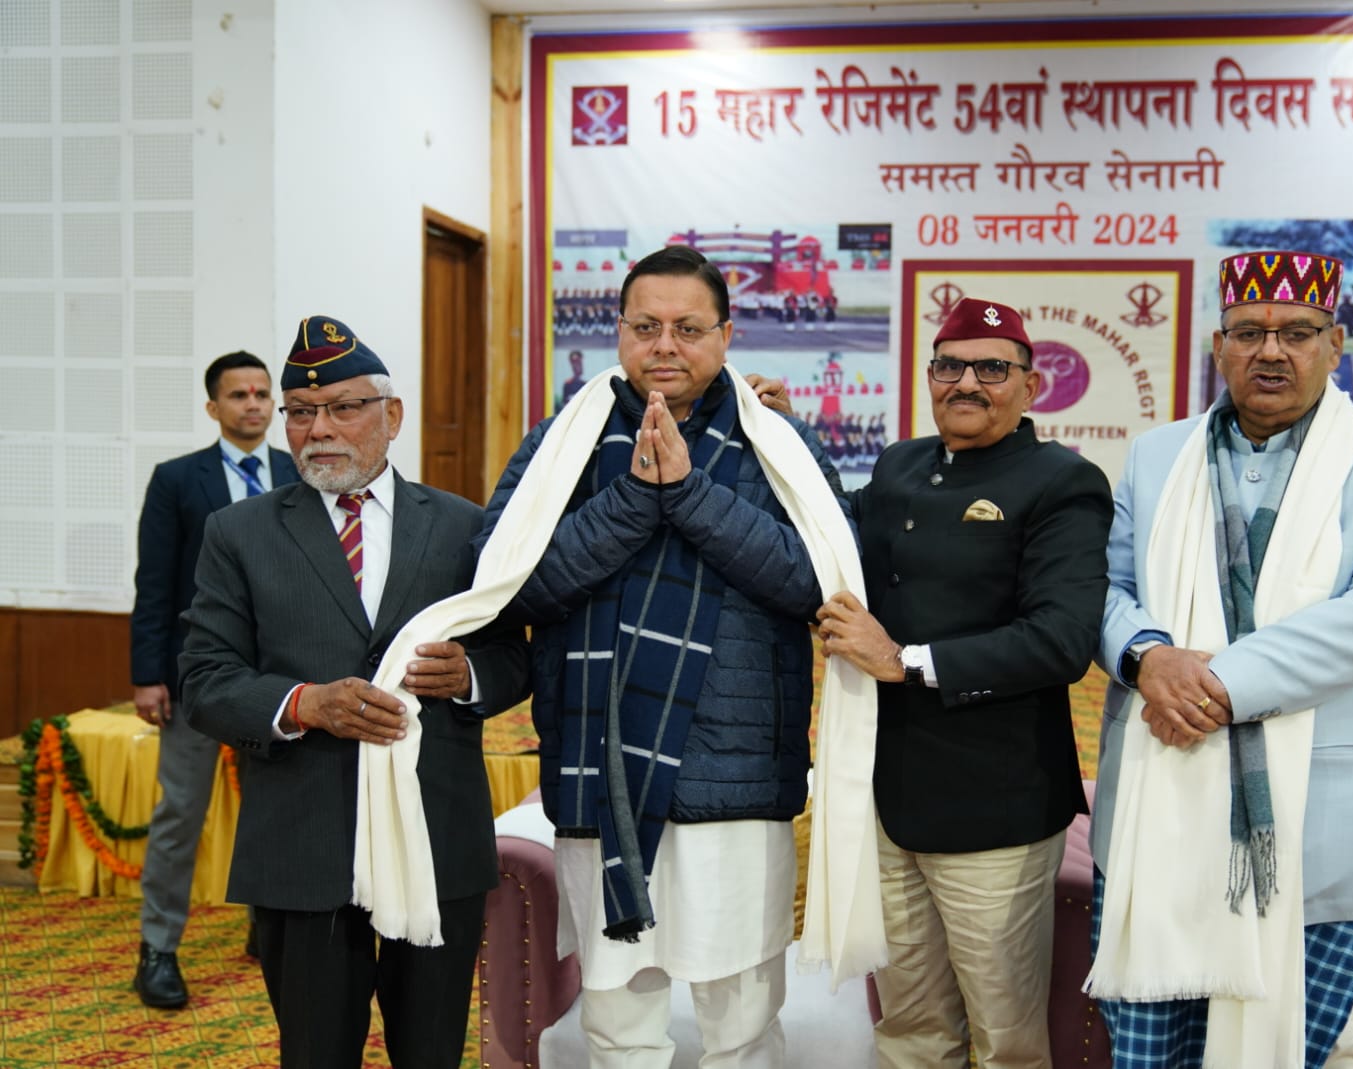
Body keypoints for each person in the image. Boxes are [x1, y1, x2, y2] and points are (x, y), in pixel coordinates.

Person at [478, 245, 851, 1067]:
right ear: (618, 331)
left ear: (726, 335)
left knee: (741, 1022)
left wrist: (688, 493)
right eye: (646, 326)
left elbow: (817, 582)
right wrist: (631, 501)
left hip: (734, 775)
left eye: (688, 328)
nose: (666, 346)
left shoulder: (778, 444)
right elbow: (508, 584)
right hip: (600, 770)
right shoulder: (561, 446)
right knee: (619, 1024)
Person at [1088, 250, 1353, 1068]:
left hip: (1321, 825)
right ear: (1219, 346)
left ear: (1336, 343)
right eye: (1249, 332)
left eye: (1297, 332)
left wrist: (1214, 682)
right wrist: (1146, 657)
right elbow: (1104, 588)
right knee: (1151, 1051)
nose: (1272, 351)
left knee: (1312, 1049)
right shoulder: (1157, 455)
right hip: (1159, 812)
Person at [178, 317, 529, 1069]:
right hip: (305, 843)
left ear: (391, 416)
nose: (319, 430)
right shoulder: (238, 533)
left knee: (431, 1052)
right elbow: (204, 679)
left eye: (343, 408)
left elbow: (514, 656)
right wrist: (305, 704)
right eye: (301, 413)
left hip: (435, 839)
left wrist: (469, 675)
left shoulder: (465, 528)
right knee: (314, 1053)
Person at [810, 298, 1114, 1067]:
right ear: (930, 376)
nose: (967, 382)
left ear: (1031, 385)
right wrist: (782, 437)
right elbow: (831, 531)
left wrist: (903, 659)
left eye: (991, 368)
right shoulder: (899, 464)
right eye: (950, 365)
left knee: (1005, 1041)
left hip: (996, 809)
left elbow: (1061, 641)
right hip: (887, 797)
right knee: (909, 1029)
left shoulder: (1063, 482)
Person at [129, 350, 298, 1009]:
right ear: (213, 407)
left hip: (279, 680)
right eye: (238, 394)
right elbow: (154, 583)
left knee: (275, 806)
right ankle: (158, 947)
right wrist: (149, 675)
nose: (253, 404)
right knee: (181, 813)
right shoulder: (177, 480)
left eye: (261, 393)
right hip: (198, 675)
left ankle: (268, 921)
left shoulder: (297, 470)